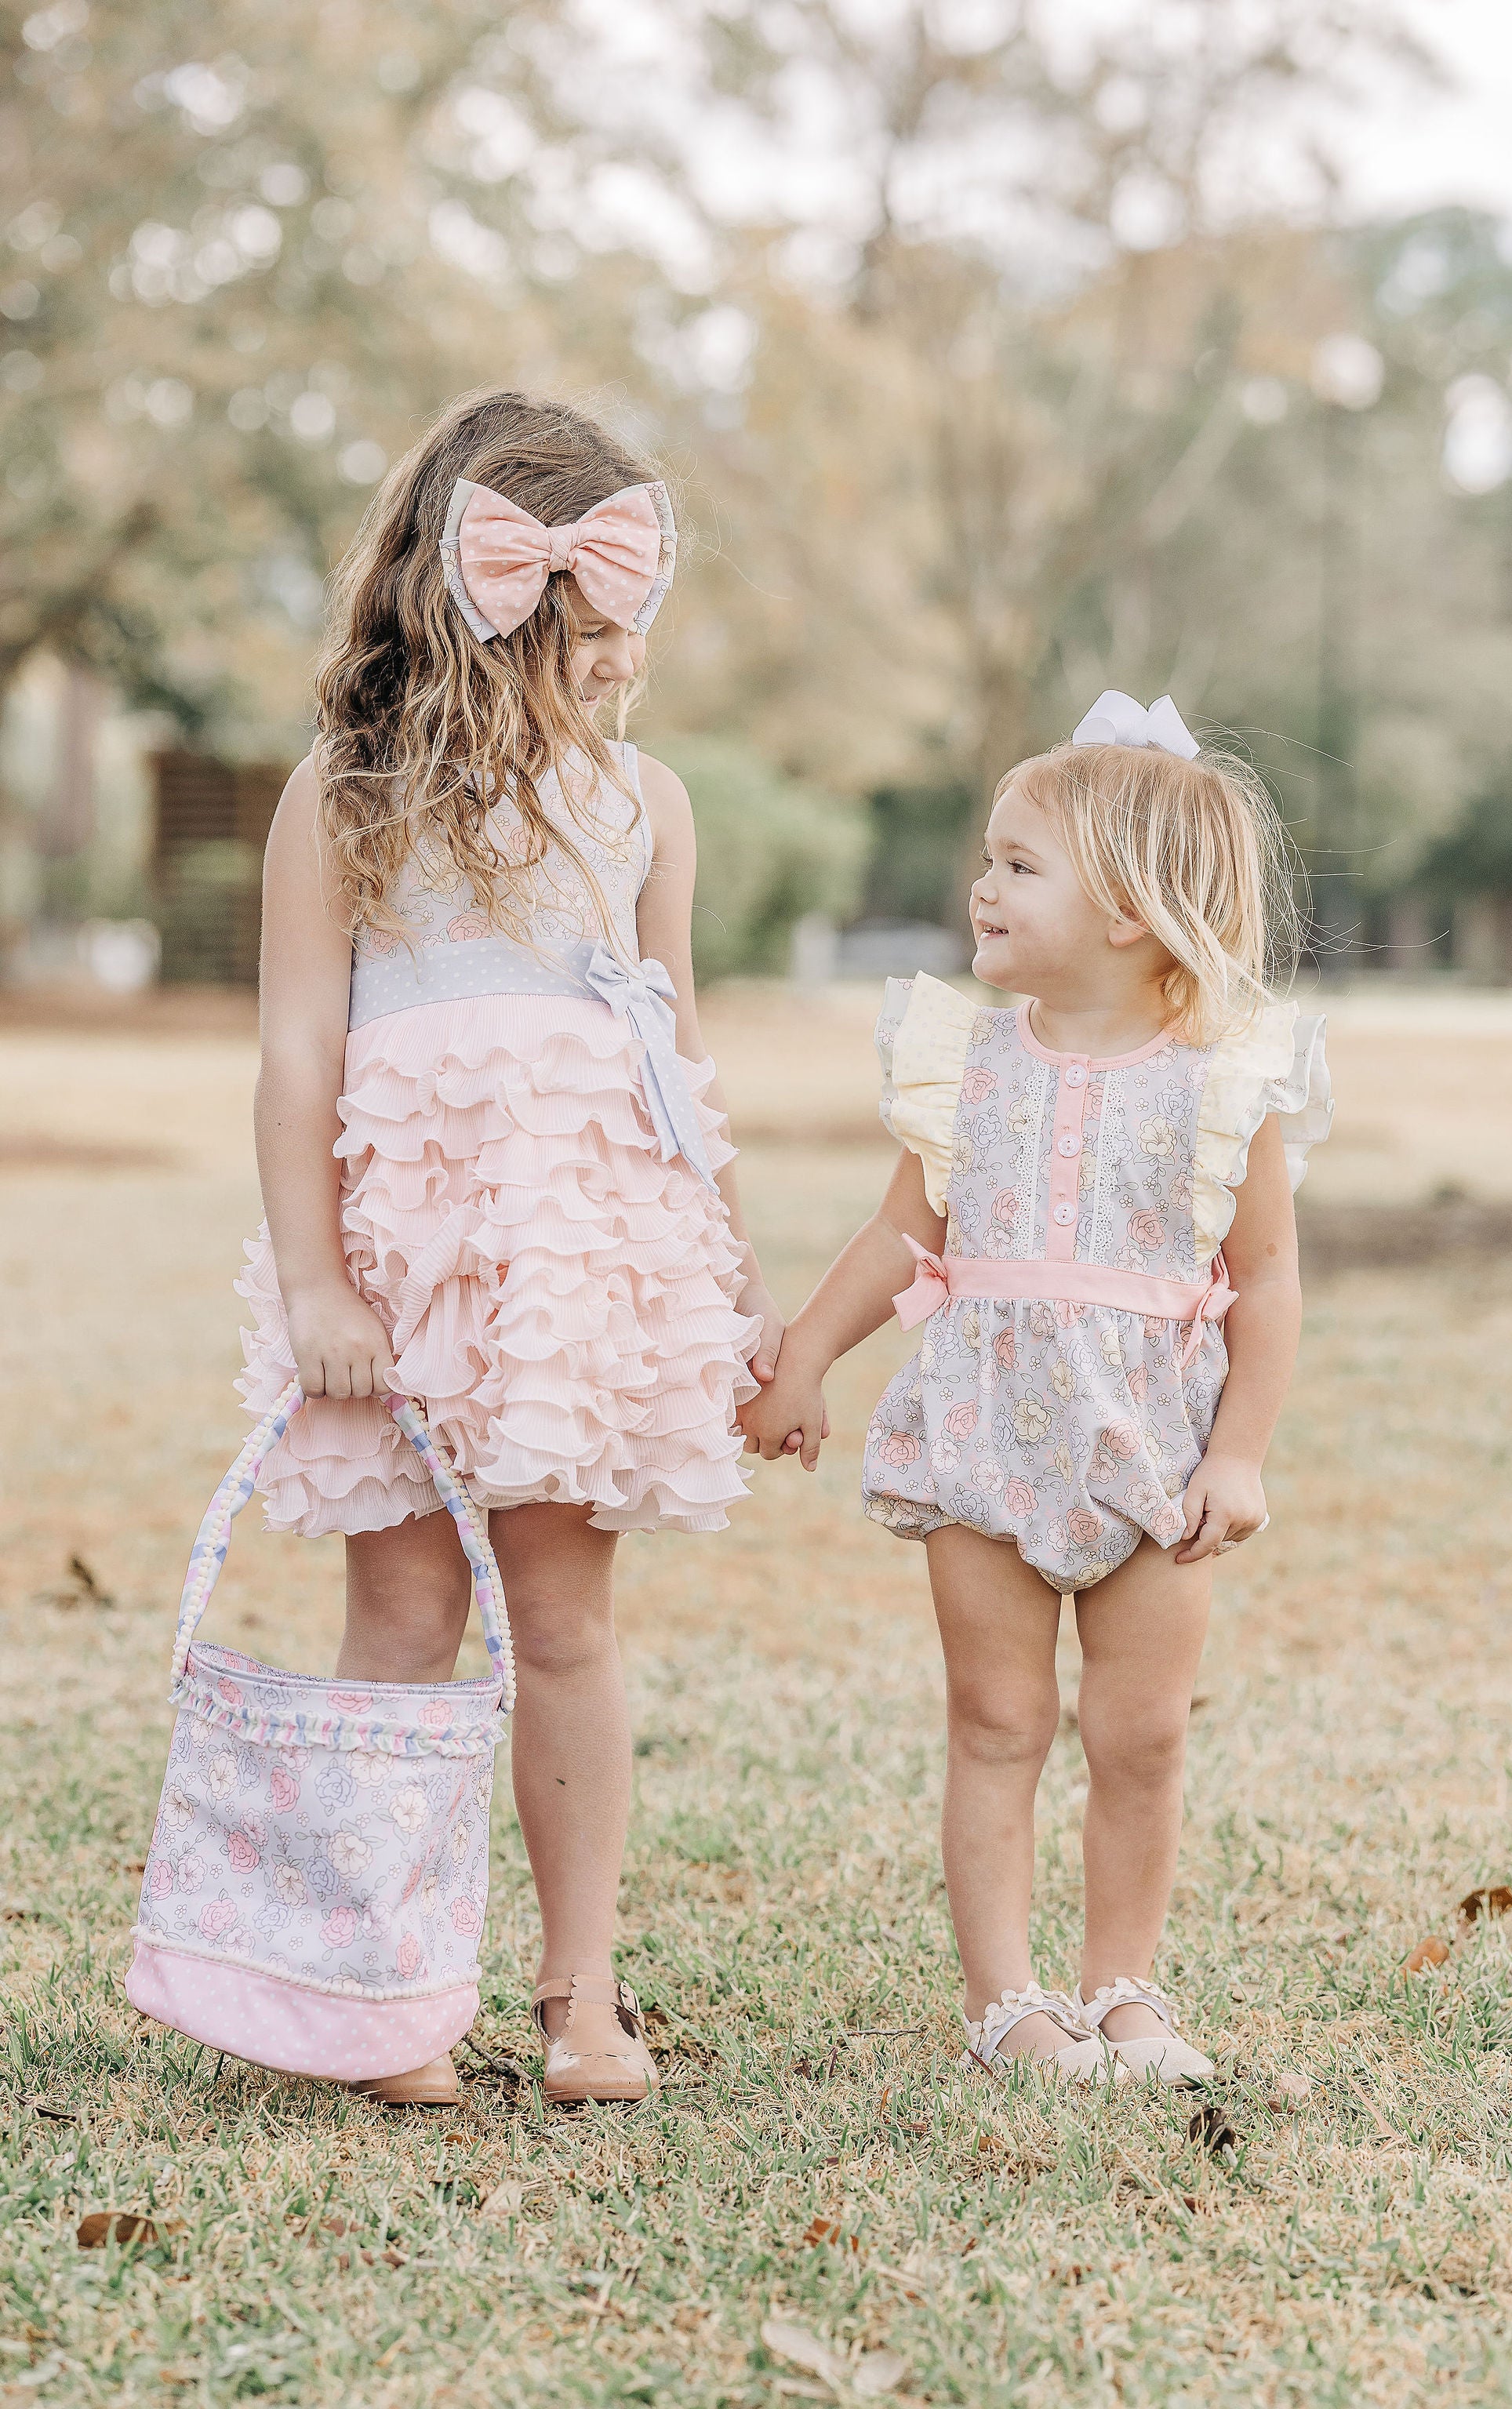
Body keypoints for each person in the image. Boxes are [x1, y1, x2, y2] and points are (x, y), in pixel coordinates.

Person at [240, 390, 782, 2107]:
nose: (633, 644)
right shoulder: (347, 794)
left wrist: (731, 1276)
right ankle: (384, 1992)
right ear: (517, 598)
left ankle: (579, 1995)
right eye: (615, 610)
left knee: (562, 1617)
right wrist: (320, 1281)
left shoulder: (645, 806)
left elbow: (673, 1052)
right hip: (400, 1253)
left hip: (579, 1252)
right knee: (399, 1609)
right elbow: (294, 1057)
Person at [741, 693, 1331, 2085]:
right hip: (982, 1445)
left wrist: (1238, 1454)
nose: (979, 887)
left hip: (1153, 1451)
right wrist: (810, 1357)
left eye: (1018, 864)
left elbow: (1271, 1283)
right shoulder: (969, 1064)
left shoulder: (1220, 1086)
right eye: (988, 859)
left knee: (1138, 1732)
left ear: (1127, 909)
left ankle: (1124, 1987)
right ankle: (1008, 2005)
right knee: (997, 1721)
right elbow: (904, 1237)